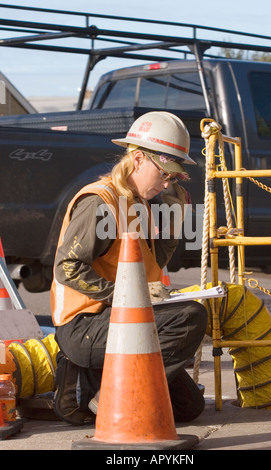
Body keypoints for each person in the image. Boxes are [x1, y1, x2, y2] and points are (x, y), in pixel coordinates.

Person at [50, 111, 208, 425]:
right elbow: (67, 268)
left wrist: (174, 222)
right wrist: (128, 294)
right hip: (86, 326)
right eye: (164, 173)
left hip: (121, 319)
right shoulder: (101, 201)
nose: (168, 182)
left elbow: (150, 265)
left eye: (174, 177)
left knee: (190, 407)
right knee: (191, 317)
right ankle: (112, 397)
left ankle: (103, 381)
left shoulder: (139, 203)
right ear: (137, 159)